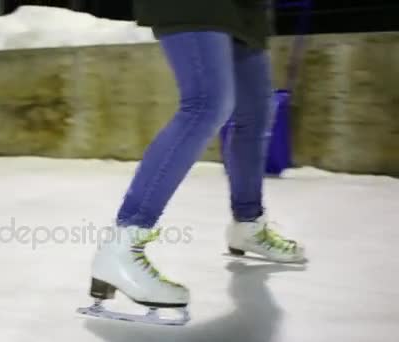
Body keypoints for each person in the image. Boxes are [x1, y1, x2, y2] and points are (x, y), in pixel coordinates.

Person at [87, 0, 306, 311]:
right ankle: (121, 248)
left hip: (245, 11)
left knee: (255, 114)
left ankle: (248, 225)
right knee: (206, 104)